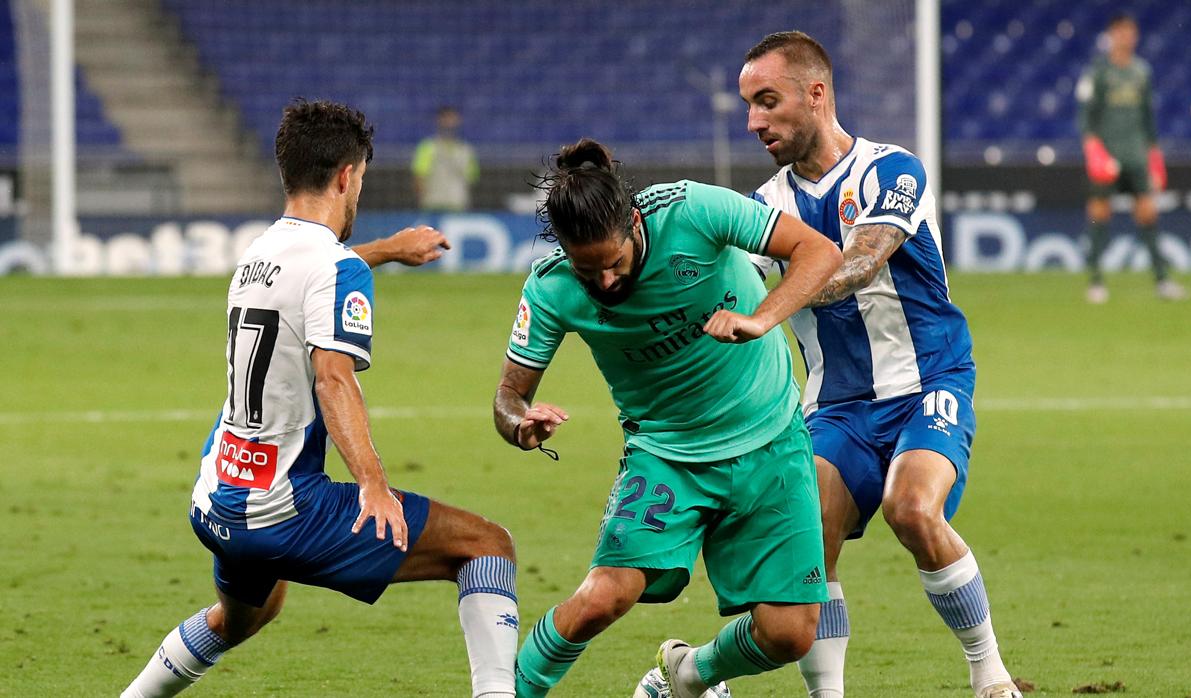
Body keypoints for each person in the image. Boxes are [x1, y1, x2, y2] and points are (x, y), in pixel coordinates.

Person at [120, 99, 518, 698]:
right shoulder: (335, 269)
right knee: (486, 547)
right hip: (284, 510)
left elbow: (311, 281)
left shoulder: (256, 256)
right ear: (345, 177)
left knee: (245, 614)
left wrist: (385, 249)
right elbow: (333, 378)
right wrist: (373, 484)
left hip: (218, 496)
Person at [492, 137, 843, 698]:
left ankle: (689, 673)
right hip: (666, 455)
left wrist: (761, 317)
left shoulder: (693, 210)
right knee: (602, 598)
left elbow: (820, 251)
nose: (605, 282)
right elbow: (508, 395)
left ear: (633, 224)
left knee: (789, 634)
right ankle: (504, 692)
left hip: (771, 441)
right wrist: (519, 423)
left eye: (613, 263)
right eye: (589, 271)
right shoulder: (552, 287)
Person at [738, 32, 1022, 698]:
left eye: (768, 101)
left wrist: (771, 305)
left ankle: (991, 675)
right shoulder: (760, 209)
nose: (754, 121)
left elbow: (865, 258)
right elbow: (731, 294)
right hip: (834, 405)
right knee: (811, 541)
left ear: (816, 93)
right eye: (749, 105)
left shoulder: (892, 171)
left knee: (912, 508)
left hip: (928, 384)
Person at [1078, 12, 1184, 303]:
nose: (1127, 37)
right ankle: (1096, 281)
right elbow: (1086, 119)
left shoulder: (1142, 72)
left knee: (1148, 212)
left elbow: (1149, 119)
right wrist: (1094, 152)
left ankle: (1162, 280)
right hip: (1107, 154)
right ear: (1111, 34)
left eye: (1131, 32)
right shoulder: (1098, 72)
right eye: (1121, 32)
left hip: (1136, 153)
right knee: (1100, 213)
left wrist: (1154, 155)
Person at [411, 106, 480, 212]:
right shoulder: (428, 147)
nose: (449, 122)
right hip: (433, 204)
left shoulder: (466, 150)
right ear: (438, 120)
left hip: (457, 205)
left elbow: (471, 179)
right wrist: (422, 201)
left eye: (452, 118)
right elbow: (419, 176)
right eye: (445, 118)